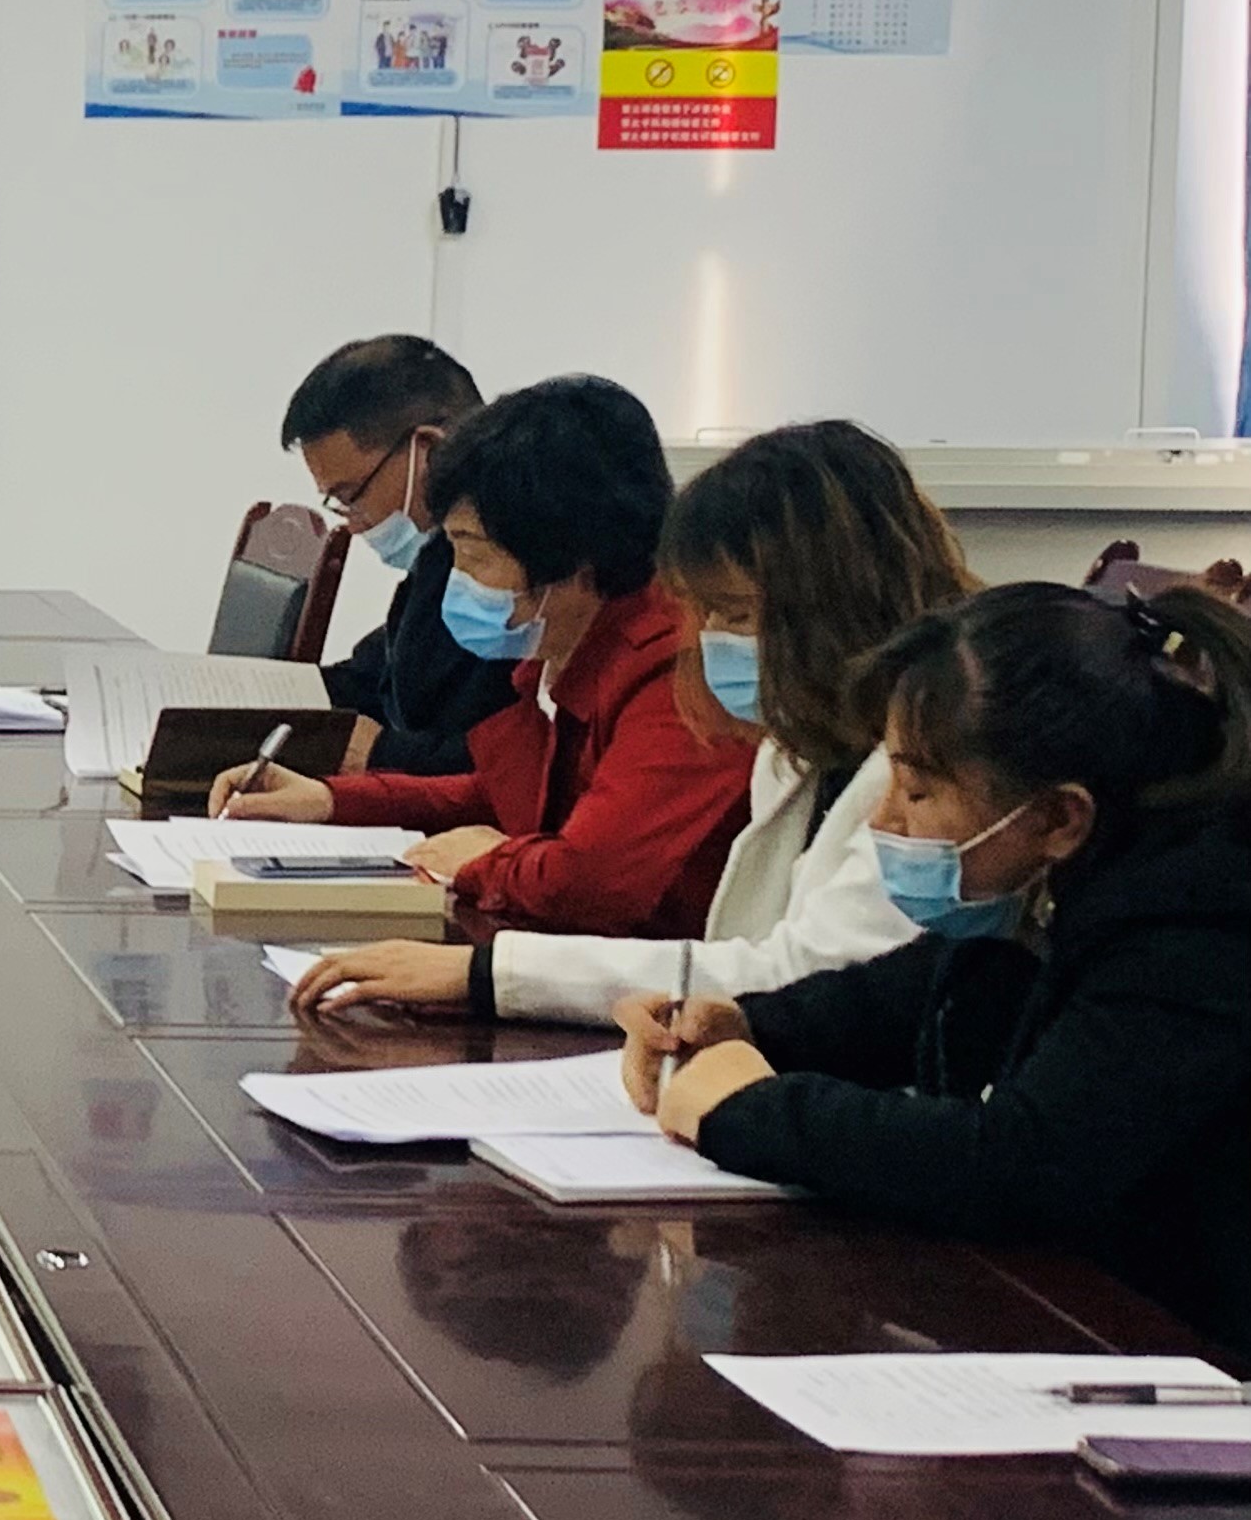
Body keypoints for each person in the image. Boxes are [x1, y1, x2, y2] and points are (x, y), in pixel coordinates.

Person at [614, 582, 1251, 1346]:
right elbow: (907, 995)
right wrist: (745, 1025)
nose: (883, 819)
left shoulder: (1198, 924)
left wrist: (749, 1111)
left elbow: (1021, 1163)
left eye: (916, 791)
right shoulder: (1076, 875)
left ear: (1059, 816)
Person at [296, 421, 974, 1018]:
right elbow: (514, 796)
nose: (707, 638)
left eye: (735, 614)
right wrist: (333, 800)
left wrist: (488, 973)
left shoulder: (928, 772)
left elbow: (790, 973)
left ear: (831, 608)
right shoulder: (798, 744)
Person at [218, 373, 753, 937]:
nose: (458, 579)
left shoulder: (677, 669)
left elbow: (589, 882)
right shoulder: (561, 643)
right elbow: (502, 795)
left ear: (566, 555)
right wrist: (330, 800)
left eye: (474, 555)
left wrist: (484, 862)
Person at [279, 335, 517, 774]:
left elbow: (518, 763)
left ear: (429, 450)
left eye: (351, 495)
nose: (352, 523)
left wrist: (384, 753)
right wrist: (268, 698)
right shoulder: (437, 555)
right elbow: (378, 673)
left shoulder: (523, 561)